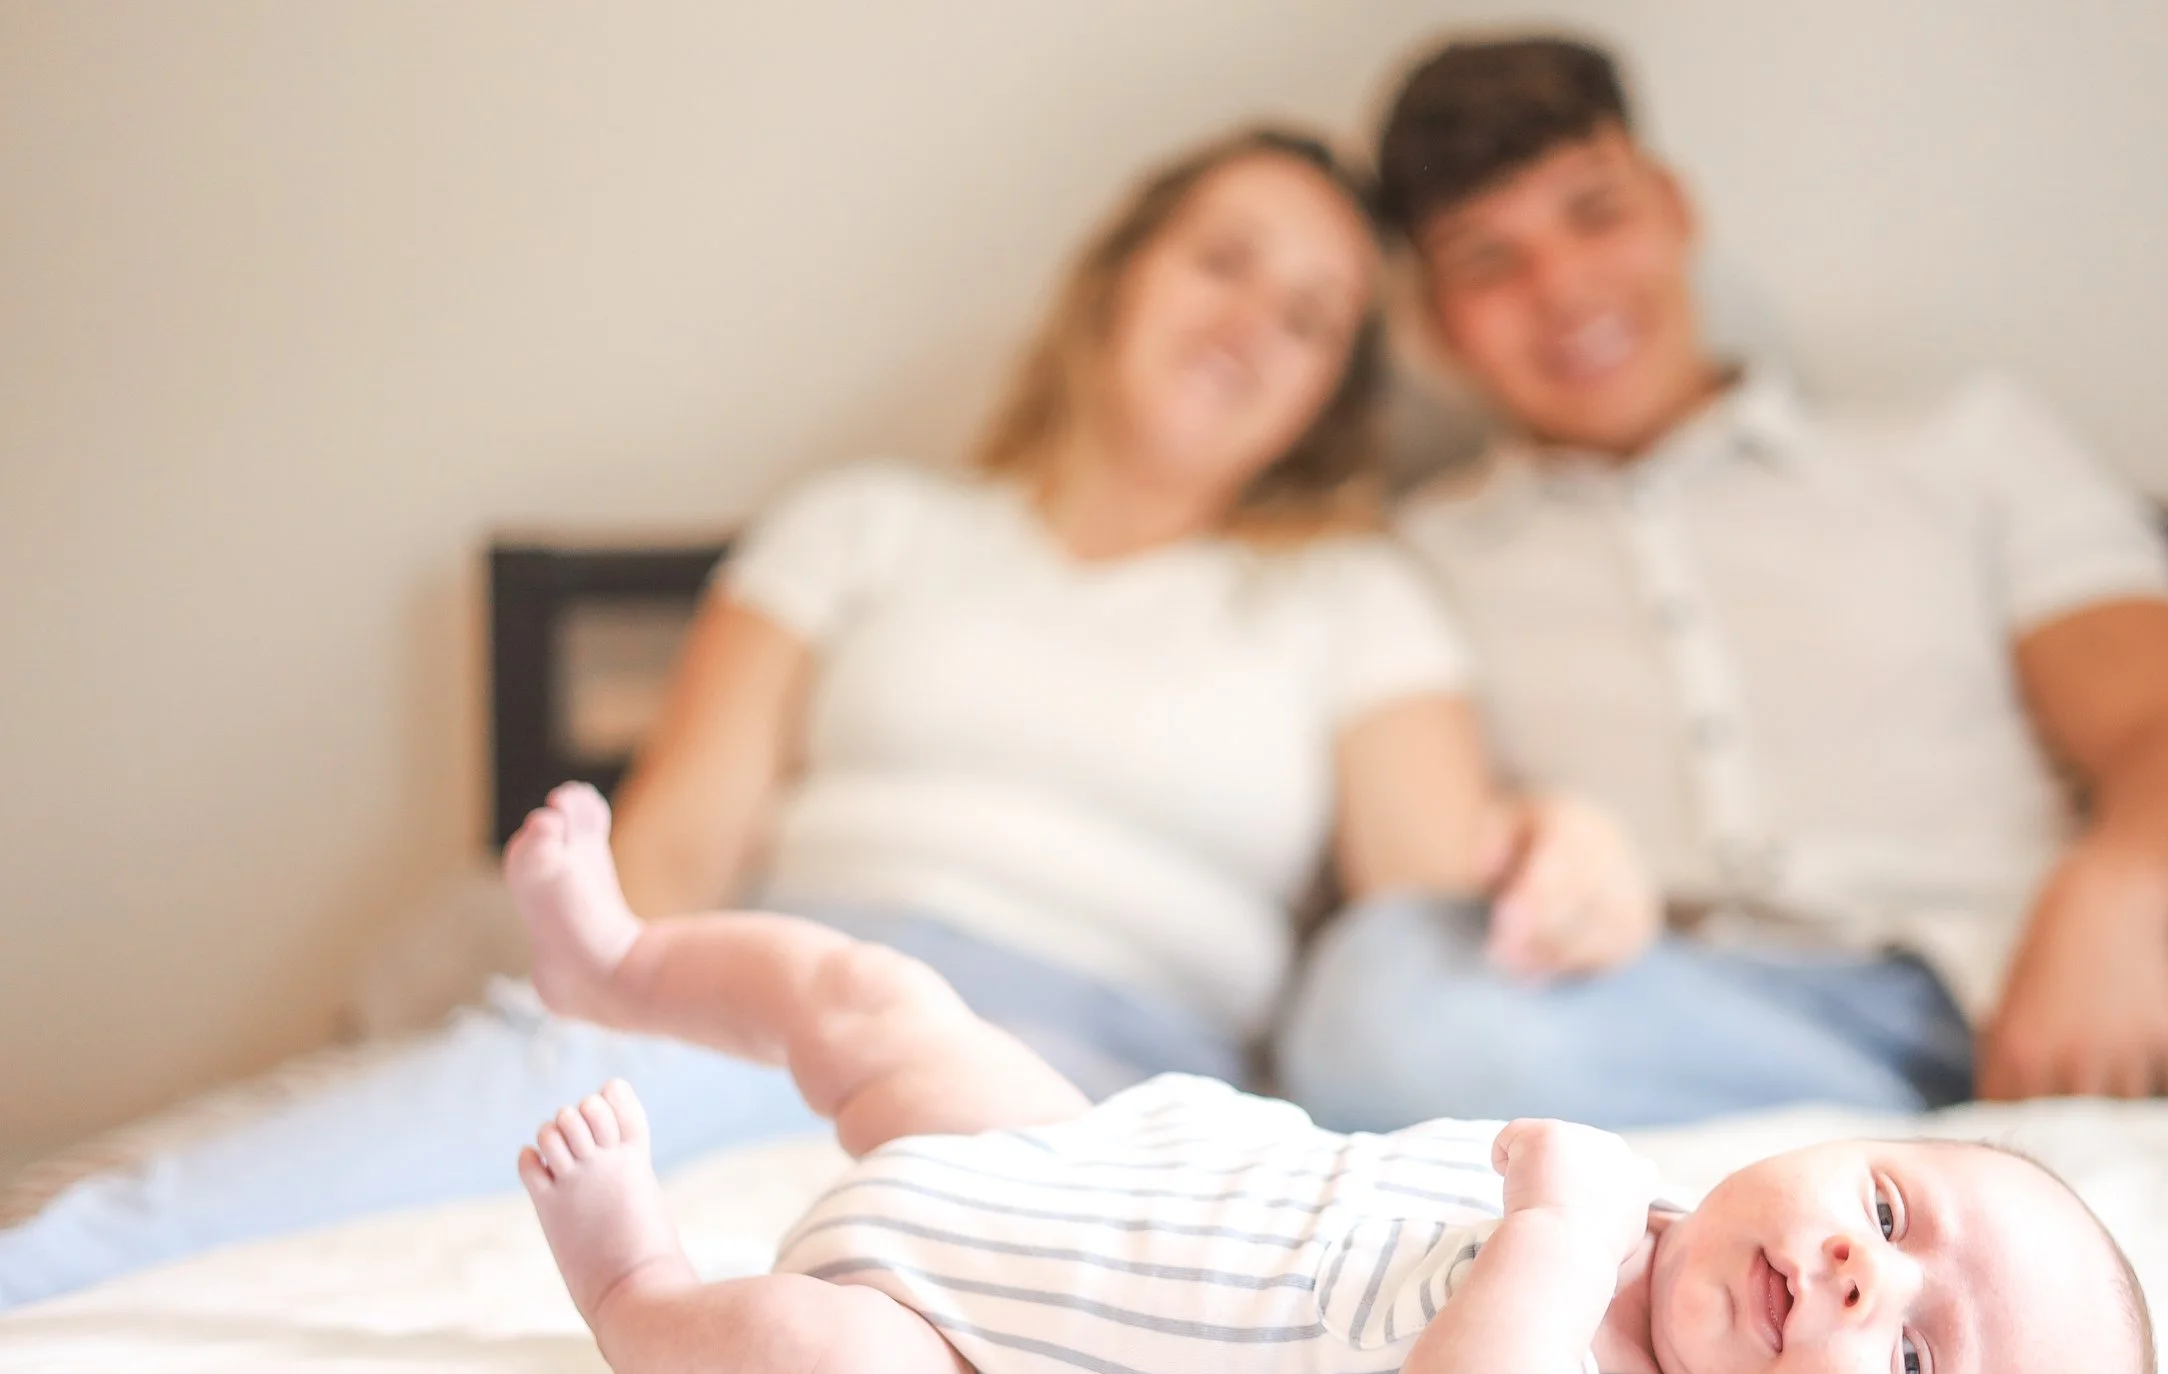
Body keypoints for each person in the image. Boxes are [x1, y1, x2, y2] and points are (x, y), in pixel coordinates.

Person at [0, 126, 1648, 1310]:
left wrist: (1565, 847)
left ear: (1328, 394)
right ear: (1117, 277)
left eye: (1311, 320)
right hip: (776, 987)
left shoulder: (1348, 598)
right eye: (1226, 261)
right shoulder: (869, 525)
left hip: (1096, 1070)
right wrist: (607, 1000)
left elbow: (1437, 905)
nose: (1252, 323)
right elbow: (682, 846)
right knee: (395, 1128)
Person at [1275, 36, 2168, 1132]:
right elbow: (1428, 869)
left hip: (2104, 950)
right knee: (1379, 1006)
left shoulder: (1961, 446)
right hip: (1703, 1017)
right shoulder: (1407, 563)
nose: (1563, 290)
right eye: (1490, 261)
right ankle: (1908, 1134)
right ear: (1432, 321)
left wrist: (2112, 899)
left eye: (1594, 214)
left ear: (1674, 209)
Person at [506, 781, 2154, 1374]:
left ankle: (641, 1290)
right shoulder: (1646, 1202)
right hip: (1071, 1161)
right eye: (1887, 1201)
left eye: (1921, 1365)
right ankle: (624, 966)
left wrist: (1556, 1239)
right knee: (874, 998)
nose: (1869, 1272)